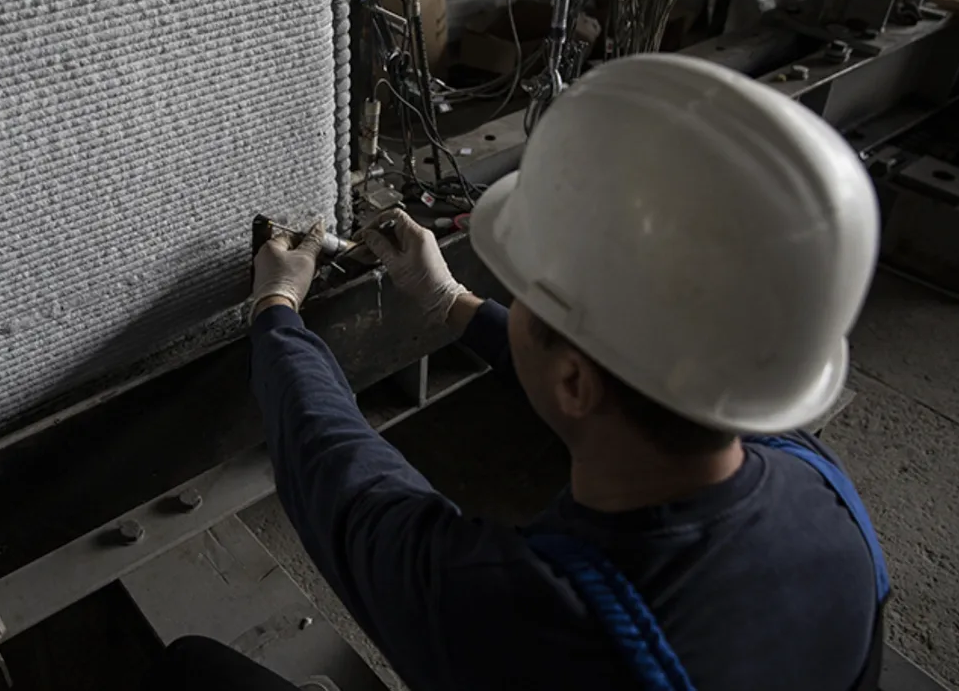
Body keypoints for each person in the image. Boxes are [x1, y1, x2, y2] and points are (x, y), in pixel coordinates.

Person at [243, 53, 888, 691]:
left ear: (576, 384)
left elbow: (346, 488)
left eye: (523, 295)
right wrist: (450, 303)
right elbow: (607, 364)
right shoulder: (821, 486)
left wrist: (276, 310)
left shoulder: (544, 625)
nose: (514, 302)